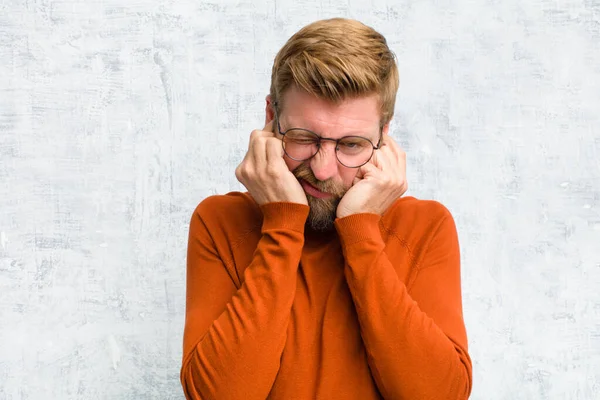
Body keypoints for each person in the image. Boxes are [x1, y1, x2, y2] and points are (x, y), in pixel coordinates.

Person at [180, 18, 472, 400]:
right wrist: (283, 223)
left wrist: (362, 233)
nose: (321, 169)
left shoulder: (425, 226)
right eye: (303, 138)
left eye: (351, 145)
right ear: (271, 118)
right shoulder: (220, 222)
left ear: (384, 135)